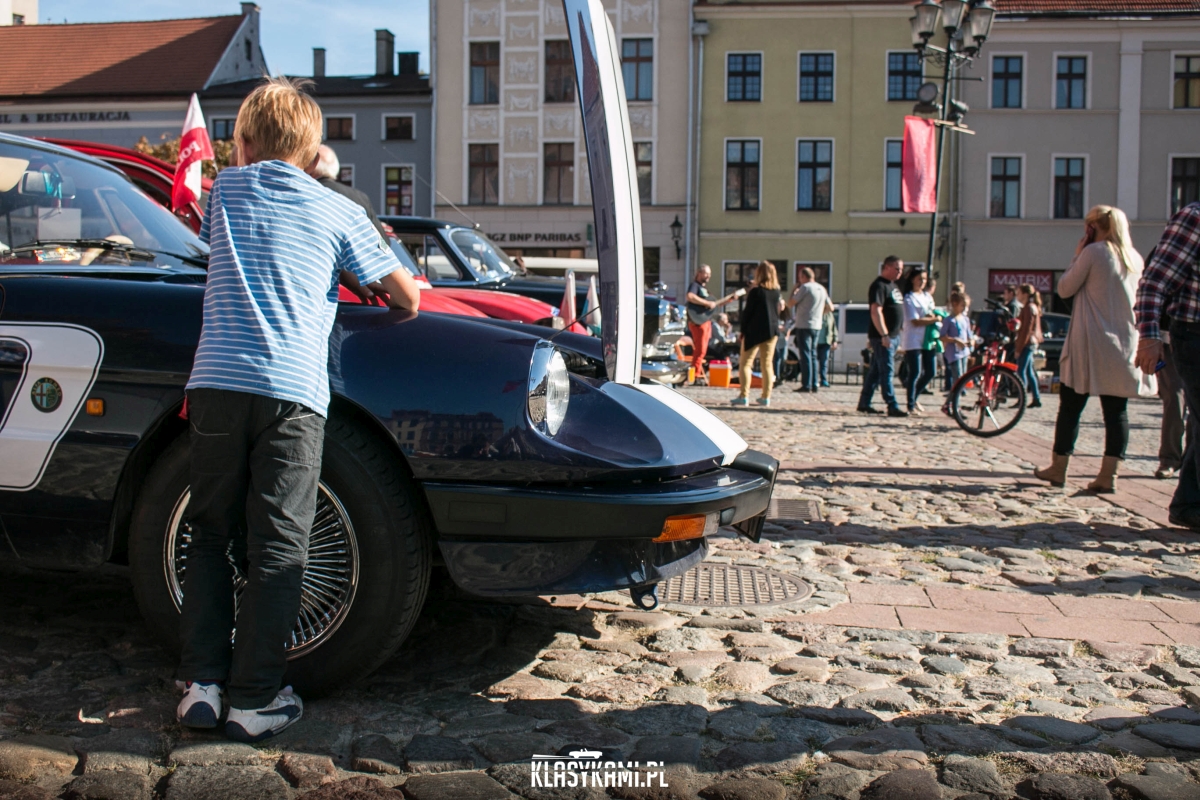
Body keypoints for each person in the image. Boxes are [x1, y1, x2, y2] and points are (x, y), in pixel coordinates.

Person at [176, 77, 421, 743]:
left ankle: (201, 685)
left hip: (218, 385)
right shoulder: (338, 210)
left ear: (244, 143)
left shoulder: (224, 191)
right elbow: (407, 299)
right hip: (292, 393)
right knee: (280, 546)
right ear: (315, 149)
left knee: (209, 532)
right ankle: (254, 697)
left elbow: (222, 199)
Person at [1035, 205, 1155, 494]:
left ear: (1092, 228)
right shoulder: (1134, 259)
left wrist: (1078, 253)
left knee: (1071, 407)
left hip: (1090, 343)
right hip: (1123, 343)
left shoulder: (1094, 252)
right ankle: (1108, 475)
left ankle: (1059, 468)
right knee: (1117, 413)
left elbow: (1064, 288)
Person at [1135, 200, 1200, 530]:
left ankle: (1188, 503)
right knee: (1180, 403)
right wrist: (1148, 337)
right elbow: (1154, 281)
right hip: (1191, 334)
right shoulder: (1195, 217)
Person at [857, 256, 908, 417]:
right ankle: (892, 404)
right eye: (897, 269)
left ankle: (864, 402)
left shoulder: (893, 286)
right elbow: (876, 311)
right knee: (887, 371)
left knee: (875, 371)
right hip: (883, 337)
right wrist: (884, 334)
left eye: (901, 269)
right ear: (886, 267)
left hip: (893, 335)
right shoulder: (879, 286)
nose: (900, 273)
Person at [732, 261, 781, 407]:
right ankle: (766, 397)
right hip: (771, 330)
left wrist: (742, 330)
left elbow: (748, 313)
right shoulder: (776, 292)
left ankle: (744, 395)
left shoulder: (756, 292)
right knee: (767, 364)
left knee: (746, 363)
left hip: (754, 331)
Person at [685, 264, 735, 385]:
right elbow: (690, 296)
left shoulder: (705, 289)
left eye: (710, 274)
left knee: (703, 350)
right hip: (698, 323)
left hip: (706, 322)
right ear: (699, 273)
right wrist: (706, 303)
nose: (708, 276)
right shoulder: (695, 286)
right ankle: (694, 376)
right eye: (706, 273)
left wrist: (729, 300)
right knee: (700, 350)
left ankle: (695, 375)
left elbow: (713, 305)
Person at [1156, 331, 1194, 479]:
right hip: (1171, 341)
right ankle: (1169, 460)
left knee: (1196, 402)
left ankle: (1192, 460)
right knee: (1174, 398)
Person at [901, 267, 938, 415]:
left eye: (924, 279)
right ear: (912, 280)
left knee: (930, 371)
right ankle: (910, 404)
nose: (922, 282)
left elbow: (932, 311)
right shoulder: (909, 298)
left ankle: (915, 396)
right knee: (915, 371)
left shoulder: (927, 296)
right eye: (919, 279)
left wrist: (933, 318)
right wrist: (933, 319)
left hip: (928, 338)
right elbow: (915, 320)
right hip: (914, 338)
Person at [788, 267, 829, 393]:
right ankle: (814, 383)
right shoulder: (822, 288)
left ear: (803, 277)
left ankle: (806, 384)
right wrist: (819, 314)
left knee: (805, 355)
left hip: (804, 325)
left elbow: (790, 303)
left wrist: (794, 290)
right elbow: (830, 307)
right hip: (817, 325)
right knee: (813, 355)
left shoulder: (805, 288)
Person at [1013, 283, 1044, 408]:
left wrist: (1019, 348)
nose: (1017, 295)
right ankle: (1036, 398)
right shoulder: (1030, 307)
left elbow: (1026, 330)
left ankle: (1022, 399)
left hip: (1028, 343)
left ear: (1025, 294)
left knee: (1021, 371)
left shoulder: (1029, 308)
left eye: (1019, 293)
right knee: (1030, 371)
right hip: (1030, 342)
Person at [940, 291, 973, 396]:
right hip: (953, 352)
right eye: (962, 305)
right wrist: (955, 340)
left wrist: (971, 341)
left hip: (964, 351)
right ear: (955, 304)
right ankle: (955, 393)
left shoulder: (965, 319)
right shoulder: (949, 320)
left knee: (963, 374)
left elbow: (969, 333)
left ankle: (959, 391)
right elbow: (942, 336)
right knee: (957, 374)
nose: (964, 308)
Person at [816, 301, 839, 388]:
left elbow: (834, 328)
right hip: (815, 342)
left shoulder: (830, 315)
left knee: (824, 362)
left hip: (826, 341)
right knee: (813, 361)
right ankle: (813, 380)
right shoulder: (816, 314)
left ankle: (823, 380)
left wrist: (835, 340)